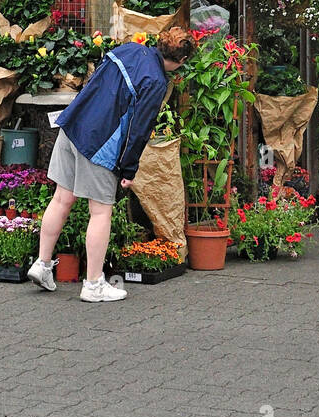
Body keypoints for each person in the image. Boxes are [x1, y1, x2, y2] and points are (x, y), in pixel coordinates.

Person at [28, 25, 196, 303]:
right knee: (100, 212)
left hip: (72, 125)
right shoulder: (156, 80)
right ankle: (93, 284)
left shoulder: (129, 49)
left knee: (61, 199)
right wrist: (129, 169)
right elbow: (139, 129)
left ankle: (42, 265)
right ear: (181, 61)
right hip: (99, 144)